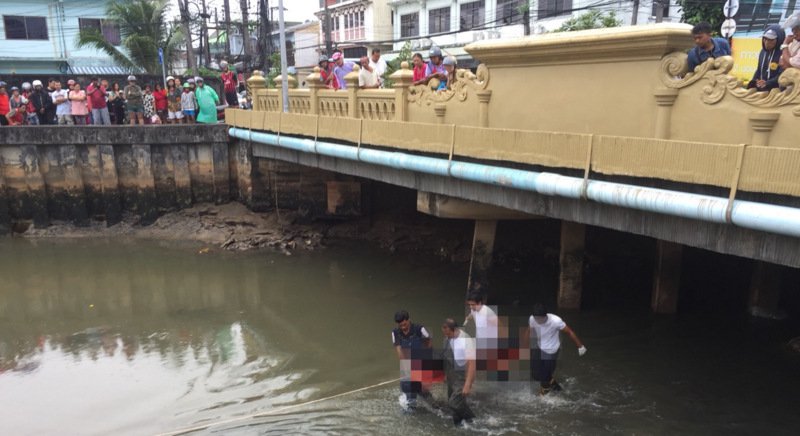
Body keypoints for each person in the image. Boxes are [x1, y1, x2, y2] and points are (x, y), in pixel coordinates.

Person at [526, 303, 586, 395]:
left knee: (544, 377)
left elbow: (569, 332)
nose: (538, 321)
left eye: (540, 319)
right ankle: (556, 387)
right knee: (535, 374)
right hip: (539, 347)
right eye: (536, 318)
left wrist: (580, 346)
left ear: (545, 316)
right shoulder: (532, 319)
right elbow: (529, 330)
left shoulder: (556, 321)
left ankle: (544, 398)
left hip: (551, 350)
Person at [391, 310, 433, 409]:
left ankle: (433, 404)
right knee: (408, 390)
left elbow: (429, 346)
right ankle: (410, 410)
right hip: (407, 366)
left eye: (405, 324)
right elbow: (400, 352)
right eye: (400, 325)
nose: (403, 327)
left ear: (409, 320)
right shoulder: (395, 333)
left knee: (424, 392)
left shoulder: (420, 329)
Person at [441, 318, 476, 426]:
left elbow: (472, 364)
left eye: (448, 334)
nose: (447, 336)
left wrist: (468, 384)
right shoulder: (447, 338)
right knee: (452, 403)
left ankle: (472, 419)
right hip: (451, 371)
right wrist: (445, 374)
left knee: (454, 403)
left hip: (462, 374)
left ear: (455, 329)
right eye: (445, 334)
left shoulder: (466, 340)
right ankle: (459, 425)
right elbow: (446, 357)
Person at [747, 26, 785, 92]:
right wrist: (754, 81)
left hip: (776, 90)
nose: (767, 42)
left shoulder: (783, 53)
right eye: (765, 39)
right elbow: (759, 70)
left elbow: (782, 74)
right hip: (762, 89)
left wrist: (768, 83)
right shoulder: (762, 52)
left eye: (771, 40)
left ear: (779, 40)